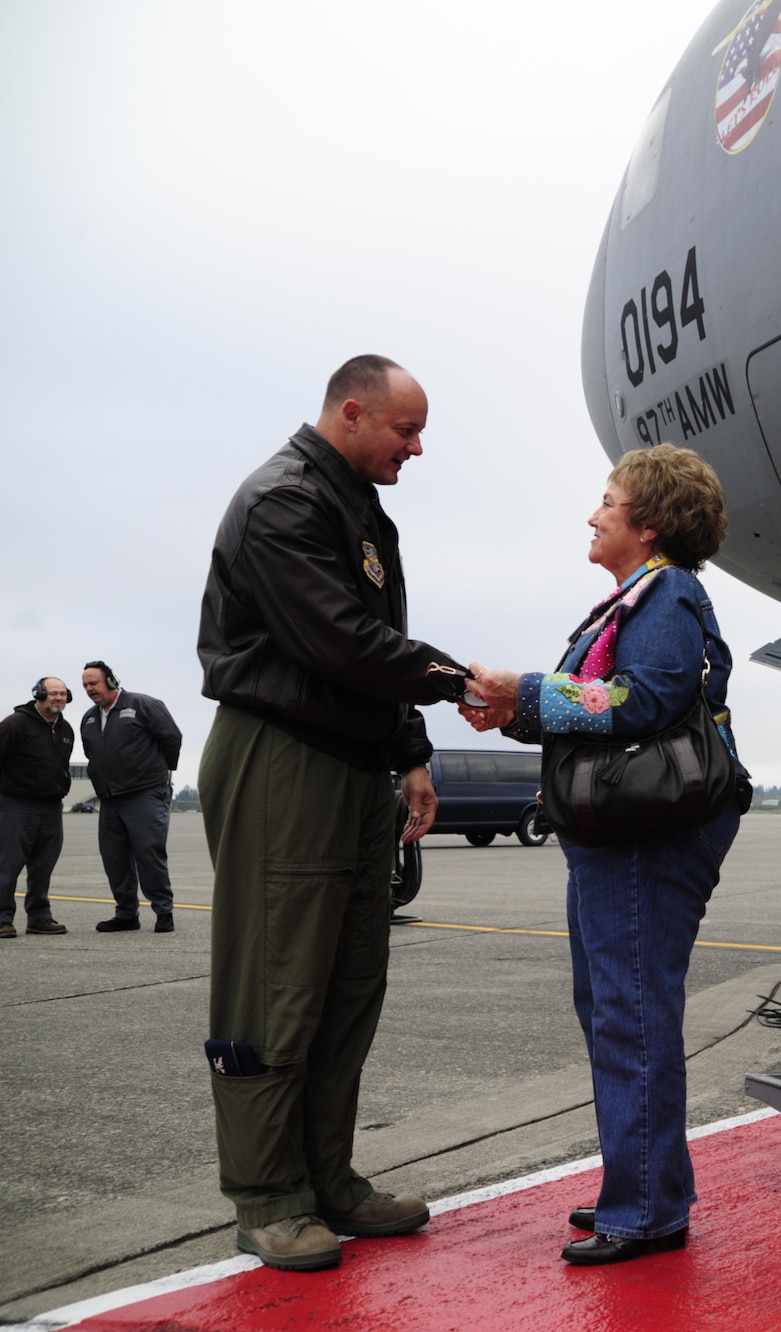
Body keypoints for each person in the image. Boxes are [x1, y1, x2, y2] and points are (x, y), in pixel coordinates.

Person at [196, 355, 471, 1271]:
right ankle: (269, 1197)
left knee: (349, 984)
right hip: (286, 758)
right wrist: (460, 681)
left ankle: (329, 1180)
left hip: (354, 765)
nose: (416, 448)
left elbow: (370, 648)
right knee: (277, 981)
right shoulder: (283, 501)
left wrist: (411, 752)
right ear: (352, 413)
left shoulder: (357, 508)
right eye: (406, 430)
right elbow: (338, 642)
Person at [461, 443, 745, 1266]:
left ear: (648, 524)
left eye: (608, 503)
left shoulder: (667, 593)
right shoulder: (636, 598)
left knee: (632, 1015)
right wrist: (515, 711)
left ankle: (645, 1208)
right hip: (618, 837)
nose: (593, 516)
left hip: (643, 837)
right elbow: (603, 709)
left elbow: (643, 699)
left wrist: (529, 691)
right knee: (616, 1009)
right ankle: (649, 1183)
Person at [78, 661, 182, 933]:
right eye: (85, 685)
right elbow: (92, 753)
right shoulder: (89, 718)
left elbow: (171, 738)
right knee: (114, 858)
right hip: (110, 798)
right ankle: (126, 914)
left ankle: (163, 912)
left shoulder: (143, 705)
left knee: (149, 853)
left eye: (93, 683)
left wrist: (159, 774)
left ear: (111, 681)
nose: (89, 689)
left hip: (144, 793)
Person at [0, 678, 73, 939]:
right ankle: (2, 919)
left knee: (43, 865)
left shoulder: (65, 729)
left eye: (63, 694)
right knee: (7, 865)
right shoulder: (14, 724)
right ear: (39, 694)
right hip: (17, 805)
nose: (59, 698)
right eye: (53, 693)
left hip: (51, 806)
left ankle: (39, 917)